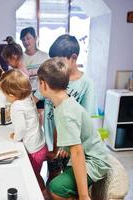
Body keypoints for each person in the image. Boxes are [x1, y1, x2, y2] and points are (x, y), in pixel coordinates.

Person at [37, 58, 110, 200]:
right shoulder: (63, 101)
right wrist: (64, 147)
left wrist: (83, 196)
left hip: (93, 161)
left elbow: (77, 152)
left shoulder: (65, 112)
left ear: (44, 85)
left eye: (38, 83)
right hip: (87, 154)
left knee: (55, 188)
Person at [33, 34, 97, 182]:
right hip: (51, 142)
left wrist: (66, 146)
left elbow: (85, 120)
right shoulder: (53, 76)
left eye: (59, 60)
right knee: (52, 178)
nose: (55, 64)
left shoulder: (86, 84)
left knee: (63, 183)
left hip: (68, 146)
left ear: (73, 58)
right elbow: (35, 98)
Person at [0, 69, 48, 194]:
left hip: (33, 151)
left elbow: (21, 129)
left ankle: (41, 194)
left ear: (11, 95)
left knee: (31, 178)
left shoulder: (16, 106)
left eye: (4, 93)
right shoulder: (28, 98)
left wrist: (15, 137)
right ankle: (43, 191)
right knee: (36, 175)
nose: (4, 96)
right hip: (41, 146)